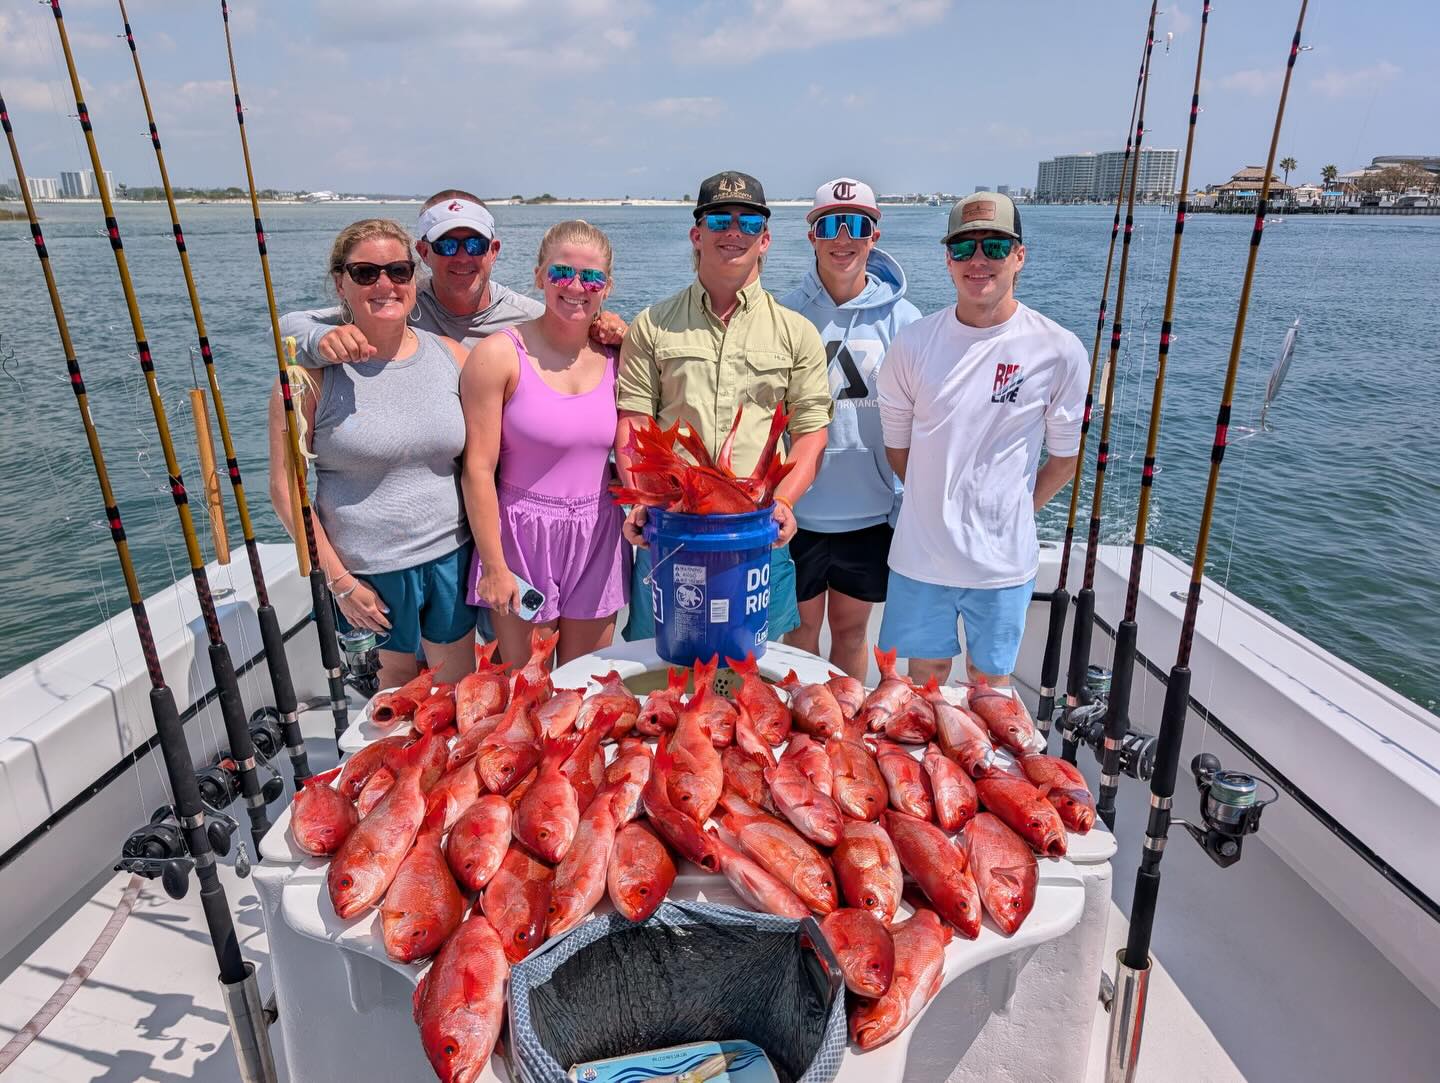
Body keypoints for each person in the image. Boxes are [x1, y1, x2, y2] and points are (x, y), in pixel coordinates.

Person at [876, 192, 1086, 688]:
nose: (977, 260)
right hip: (920, 557)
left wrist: (1013, 508)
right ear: (947, 260)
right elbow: (898, 450)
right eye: (963, 248)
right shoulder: (912, 345)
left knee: (989, 685)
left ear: (1019, 256)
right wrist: (938, 503)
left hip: (1003, 564)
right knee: (922, 685)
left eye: (994, 247)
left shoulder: (1059, 349)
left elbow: (1064, 460)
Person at [615, 171, 833, 646]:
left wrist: (784, 503)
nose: (733, 231)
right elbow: (634, 423)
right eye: (719, 219)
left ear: (765, 239)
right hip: (672, 529)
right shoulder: (652, 325)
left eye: (748, 222)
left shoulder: (797, 333)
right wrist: (639, 501)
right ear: (697, 234)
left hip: (758, 529)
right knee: (662, 671)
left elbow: (813, 434)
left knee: (759, 676)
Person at [267, 218, 476, 688]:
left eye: (398, 272)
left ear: (414, 279)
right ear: (341, 282)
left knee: (457, 692)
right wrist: (340, 583)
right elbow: (285, 491)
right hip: (367, 574)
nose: (384, 284)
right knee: (395, 702)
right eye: (366, 273)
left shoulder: (451, 357)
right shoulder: (308, 378)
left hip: (451, 558)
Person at [461, 221, 628, 668]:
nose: (576, 287)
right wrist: (494, 566)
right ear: (539, 277)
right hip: (521, 538)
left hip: (598, 533)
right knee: (527, 691)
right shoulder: (499, 354)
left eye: (591, 278)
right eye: (561, 273)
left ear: (606, 288)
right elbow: (477, 469)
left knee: (586, 688)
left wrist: (629, 337)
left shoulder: (621, 357)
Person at [780, 178, 921, 679]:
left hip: (870, 512)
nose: (844, 238)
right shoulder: (783, 314)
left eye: (857, 225)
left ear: (874, 235)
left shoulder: (905, 320)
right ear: (812, 235)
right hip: (795, 510)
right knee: (797, 635)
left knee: (850, 633)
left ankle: (842, 738)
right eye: (830, 226)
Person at [279, 191, 543, 361]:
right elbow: (285, 326)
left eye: (475, 245)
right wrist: (321, 339)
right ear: (423, 252)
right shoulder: (398, 302)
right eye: (446, 246)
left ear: (493, 251)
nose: (462, 257)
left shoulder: (530, 317)